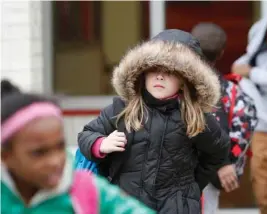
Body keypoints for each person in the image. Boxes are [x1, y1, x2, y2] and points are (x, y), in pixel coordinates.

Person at [78, 29, 230, 213]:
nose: (160, 76)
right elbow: (86, 135)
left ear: (185, 80)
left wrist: (190, 187)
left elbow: (217, 152)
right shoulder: (123, 109)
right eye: (153, 69)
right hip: (127, 205)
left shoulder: (195, 117)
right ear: (142, 74)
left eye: (170, 72)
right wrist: (101, 144)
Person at [0, 80, 155, 214]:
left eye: (60, 146)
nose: (55, 161)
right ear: (5, 156)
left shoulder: (86, 190)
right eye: (39, 153)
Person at [191, 23, 258, 214]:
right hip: (212, 173)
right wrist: (227, 161)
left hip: (177, 170)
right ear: (221, 53)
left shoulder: (178, 88)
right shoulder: (233, 91)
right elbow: (246, 121)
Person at [232, 10, 267, 214]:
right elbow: (239, 71)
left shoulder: (253, 68)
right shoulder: (258, 58)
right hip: (261, 134)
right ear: (265, 37)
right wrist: (248, 70)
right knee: (264, 195)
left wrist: (252, 73)